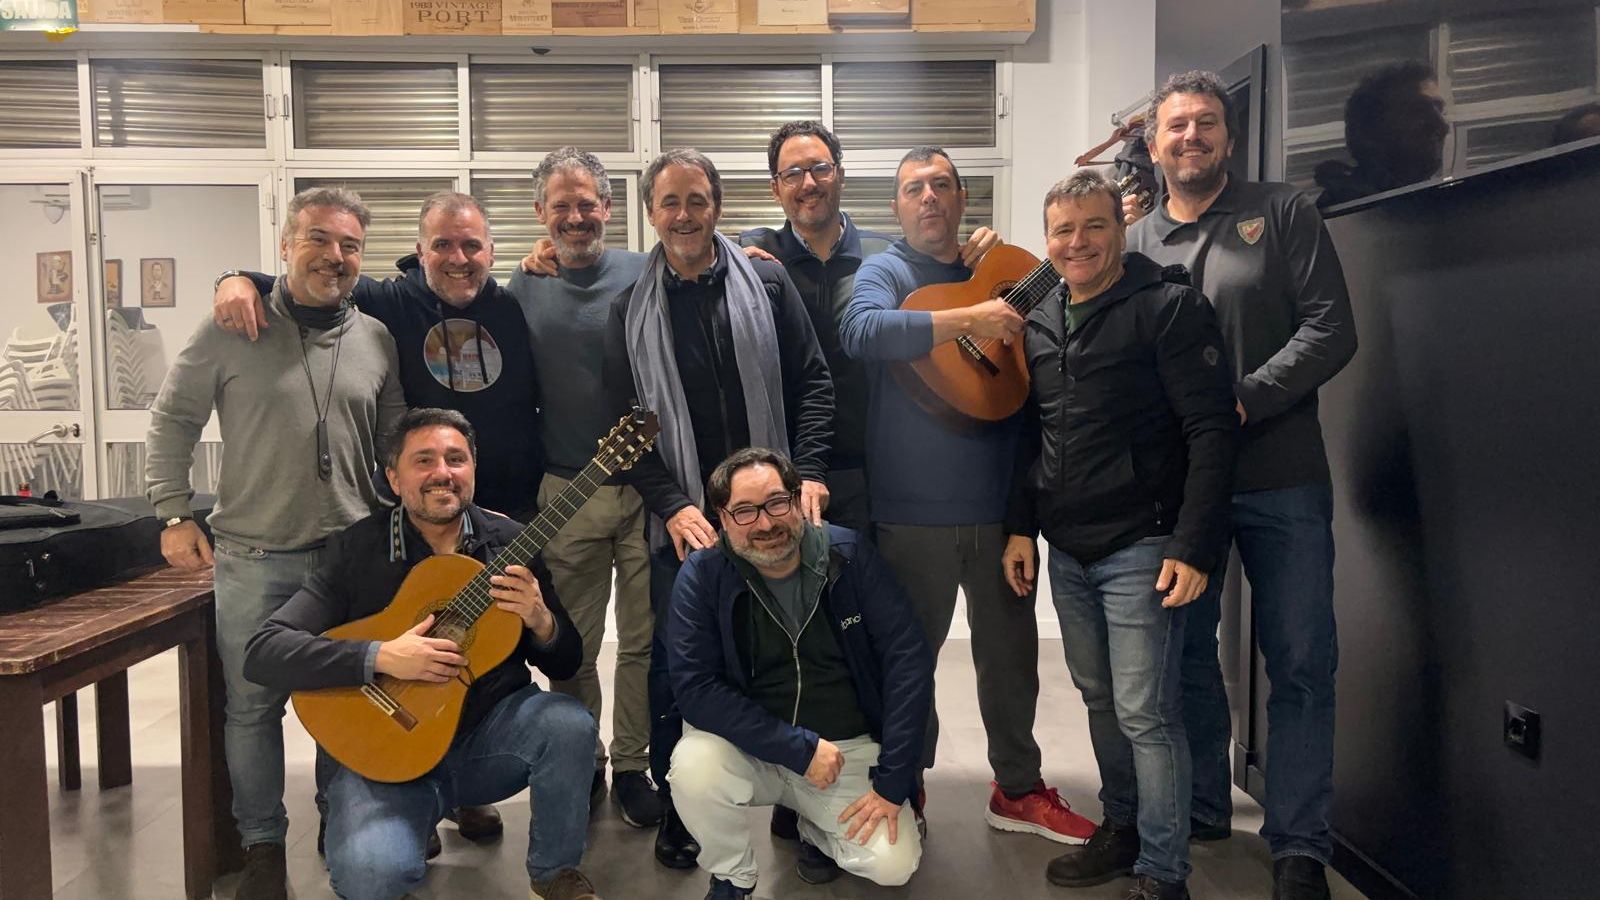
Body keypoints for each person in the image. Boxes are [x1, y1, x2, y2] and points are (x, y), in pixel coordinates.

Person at [1127, 70, 1358, 900]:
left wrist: (1242, 399)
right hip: (1183, 492)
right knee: (1185, 656)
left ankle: (1299, 844)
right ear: (1152, 145)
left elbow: (1332, 327)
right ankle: (1201, 806)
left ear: (1228, 136)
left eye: (1207, 123)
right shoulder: (1135, 243)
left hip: (1280, 476)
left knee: (1299, 659)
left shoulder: (1284, 212)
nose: (1191, 137)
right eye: (1177, 126)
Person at [146, 186, 406, 900]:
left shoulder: (376, 337)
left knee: (346, 691)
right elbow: (172, 421)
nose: (336, 256)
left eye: (351, 245)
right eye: (319, 239)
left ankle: (339, 816)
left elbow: (393, 441)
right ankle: (263, 843)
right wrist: (172, 511)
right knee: (254, 707)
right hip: (257, 558)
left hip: (352, 559)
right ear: (286, 245)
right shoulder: (232, 326)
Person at [838, 146, 1094, 843]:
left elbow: (1039, 392)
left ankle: (1016, 788)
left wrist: (1023, 520)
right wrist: (967, 321)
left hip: (997, 511)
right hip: (909, 515)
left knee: (1011, 660)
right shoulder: (885, 270)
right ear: (897, 207)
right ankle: (906, 785)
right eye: (914, 188)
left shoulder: (1004, 271)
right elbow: (861, 331)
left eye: (943, 185)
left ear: (962, 199)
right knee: (908, 658)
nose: (929, 198)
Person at [242, 408, 601, 900]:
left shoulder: (513, 544)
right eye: (424, 460)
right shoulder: (357, 549)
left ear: (473, 469)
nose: (442, 473)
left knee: (569, 723)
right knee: (369, 877)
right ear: (394, 477)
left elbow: (565, 663)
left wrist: (542, 621)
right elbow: (265, 650)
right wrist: (381, 656)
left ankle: (554, 872)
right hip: (386, 755)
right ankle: (404, 829)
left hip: (487, 741)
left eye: (457, 459)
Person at [1004, 170, 1238, 900]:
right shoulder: (1040, 319)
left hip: (1145, 542)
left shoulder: (1166, 307)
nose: (1078, 243)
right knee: (1101, 699)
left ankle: (1165, 872)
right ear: (1048, 240)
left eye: (1093, 226)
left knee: (1147, 711)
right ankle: (1125, 826)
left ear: (1120, 227)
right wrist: (1020, 529)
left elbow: (1212, 429)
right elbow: (1028, 434)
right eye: (1063, 230)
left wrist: (1195, 547)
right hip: (1067, 548)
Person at [603, 147, 834, 869]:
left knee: (798, 655)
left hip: (776, 512)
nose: (683, 215)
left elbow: (815, 384)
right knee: (681, 668)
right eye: (669, 202)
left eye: (696, 200)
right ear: (651, 213)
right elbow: (624, 429)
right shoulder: (628, 309)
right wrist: (671, 506)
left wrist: (809, 477)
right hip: (688, 526)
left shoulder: (765, 281)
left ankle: (801, 806)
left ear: (718, 206)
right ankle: (682, 810)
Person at [666, 447, 933, 899]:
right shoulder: (703, 574)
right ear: (722, 517)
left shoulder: (847, 556)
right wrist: (797, 749)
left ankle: (813, 826)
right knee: (694, 767)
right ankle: (733, 876)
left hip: (845, 749)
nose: (766, 523)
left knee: (894, 864)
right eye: (745, 511)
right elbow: (696, 688)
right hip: (752, 748)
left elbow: (908, 662)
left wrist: (892, 783)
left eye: (776, 503)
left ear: (797, 500)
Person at [213, 191, 543, 523]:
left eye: (471, 245)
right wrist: (236, 279)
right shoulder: (387, 301)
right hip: (419, 512)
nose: (458, 258)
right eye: (442, 245)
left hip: (513, 509)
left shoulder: (513, 308)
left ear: (491, 253)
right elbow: (308, 282)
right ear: (421, 253)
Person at [507, 147, 658, 826]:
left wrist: (752, 247)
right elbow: (421, 280)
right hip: (568, 495)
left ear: (608, 205)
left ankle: (632, 765)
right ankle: (584, 759)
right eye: (561, 205)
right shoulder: (519, 286)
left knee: (647, 641)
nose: (576, 216)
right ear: (541, 214)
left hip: (654, 488)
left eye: (588, 201)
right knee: (573, 645)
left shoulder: (645, 268)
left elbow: (707, 255)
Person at [1313, 61, 1448, 209]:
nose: (1442, 126)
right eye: (1418, 111)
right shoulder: (1343, 210)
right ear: (1372, 128)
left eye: (1440, 110)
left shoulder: (1435, 205)